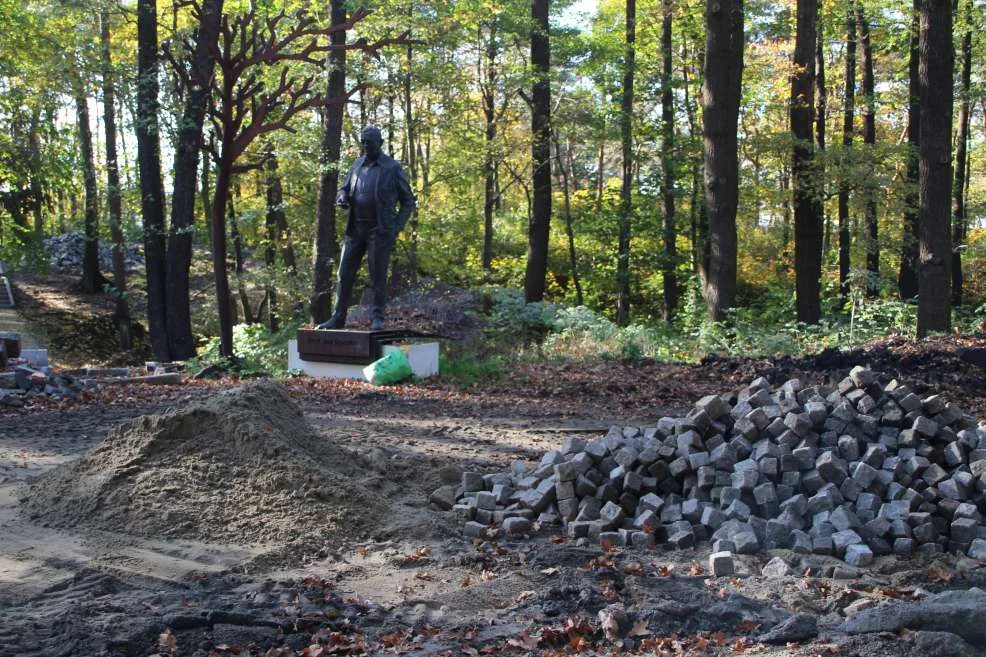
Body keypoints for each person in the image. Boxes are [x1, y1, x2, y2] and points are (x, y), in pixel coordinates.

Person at [318, 126, 416, 331]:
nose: (365, 145)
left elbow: (408, 201)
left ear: (379, 143)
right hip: (355, 229)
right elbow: (344, 189)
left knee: (377, 276)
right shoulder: (356, 165)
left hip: (379, 230)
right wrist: (343, 197)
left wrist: (396, 226)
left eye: (369, 142)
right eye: (362, 141)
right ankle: (338, 317)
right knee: (344, 274)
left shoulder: (392, 168)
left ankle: (377, 317)